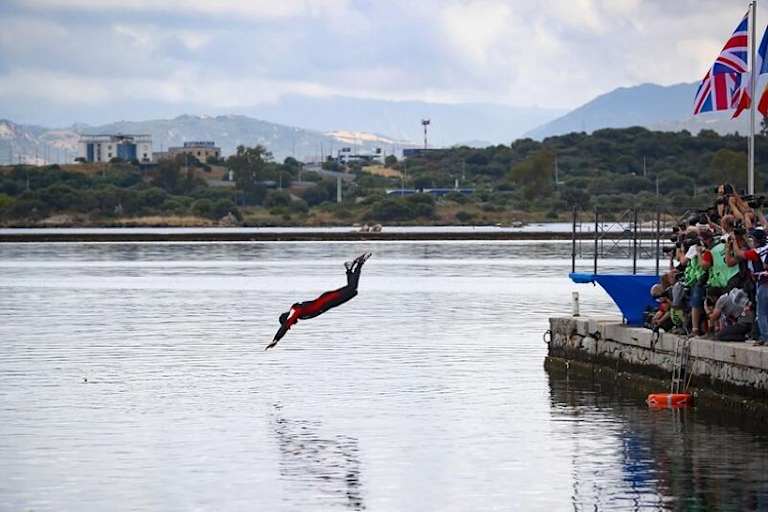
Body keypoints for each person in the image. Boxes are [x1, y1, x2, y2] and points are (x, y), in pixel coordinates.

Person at [265, 253, 372, 350]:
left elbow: (285, 326)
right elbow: (286, 325)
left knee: (352, 289)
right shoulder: (297, 316)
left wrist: (276, 340)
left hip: (327, 299)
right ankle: (349, 268)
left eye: (289, 323)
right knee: (353, 292)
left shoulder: (294, 311)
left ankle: (359, 263)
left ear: (287, 317)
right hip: (329, 304)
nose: (292, 325)